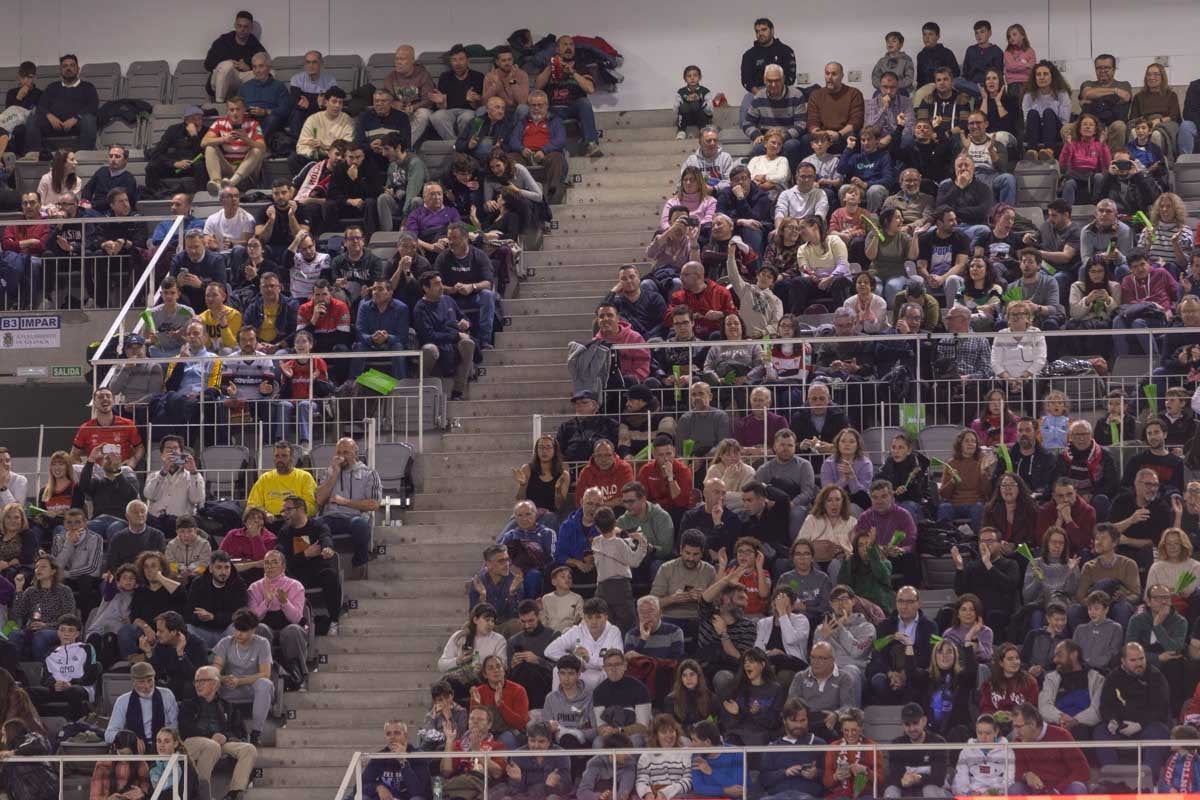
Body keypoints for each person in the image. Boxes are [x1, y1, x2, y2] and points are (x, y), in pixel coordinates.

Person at [1094, 642, 1171, 776]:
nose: (1139, 663)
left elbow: (1160, 708)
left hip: (1147, 726)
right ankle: (1113, 780)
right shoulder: (1113, 677)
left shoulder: (1155, 675)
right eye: (1133, 660)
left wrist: (1140, 724)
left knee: (1160, 731)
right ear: (1123, 661)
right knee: (1100, 732)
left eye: (1141, 658)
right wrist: (1112, 720)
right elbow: (1105, 705)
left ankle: (1148, 781)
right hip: (1120, 725)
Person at [314, 438, 379, 580]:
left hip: (354, 518)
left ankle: (359, 562)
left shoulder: (369, 474)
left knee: (361, 525)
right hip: (331, 517)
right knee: (314, 524)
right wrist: (335, 474)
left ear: (355, 453)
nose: (341, 456)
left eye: (346, 452)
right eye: (338, 452)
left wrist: (345, 502)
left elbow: (374, 504)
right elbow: (319, 499)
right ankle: (324, 564)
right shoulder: (329, 472)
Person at [534, 36, 603, 157]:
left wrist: (573, 72)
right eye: (565, 44)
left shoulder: (581, 65)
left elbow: (590, 89)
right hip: (552, 108)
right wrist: (551, 66)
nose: (569, 48)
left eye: (571, 45)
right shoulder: (548, 65)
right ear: (557, 49)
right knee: (539, 108)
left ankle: (591, 144)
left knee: (584, 103)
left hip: (573, 106)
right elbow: (538, 86)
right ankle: (547, 150)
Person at [414, 272, 476, 401]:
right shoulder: (420, 308)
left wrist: (466, 323)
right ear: (426, 289)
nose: (441, 287)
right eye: (436, 284)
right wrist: (455, 335)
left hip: (452, 342)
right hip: (435, 343)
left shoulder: (448, 300)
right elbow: (429, 335)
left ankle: (458, 391)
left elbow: (463, 317)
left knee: (468, 343)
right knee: (429, 349)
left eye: (441, 283)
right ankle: (422, 387)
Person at [27, 613, 98, 721]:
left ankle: (75, 727)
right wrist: (54, 684)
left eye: (70, 630)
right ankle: (38, 726)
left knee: (73, 691)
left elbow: (90, 676)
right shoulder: (51, 653)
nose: (66, 634)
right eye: (63, 630)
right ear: (58, 632)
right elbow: (45, 679)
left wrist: (70, 683)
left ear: (77, 633)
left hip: (80, 688)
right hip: (57, 689)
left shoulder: (87, 648)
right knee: (29, 692)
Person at [25, 55, 97, 155]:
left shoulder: (88, 87)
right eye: (65, 66)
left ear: (78, 69)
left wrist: (76, 118)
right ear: (60, 70)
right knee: (32, 119)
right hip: (54, 124)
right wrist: (49, 116)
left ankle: (84, 156)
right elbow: (41, 106)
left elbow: (93, 106)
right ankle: (37, 157)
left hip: (77, 124)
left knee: (89, 119)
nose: (68, 68)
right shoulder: (52, 87)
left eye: (72, 65)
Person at [1110, 467, 1173, 571]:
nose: (1153, 489)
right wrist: (1130, 520)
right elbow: (1109, 532)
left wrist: (1127, 541)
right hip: (1120, 552)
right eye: (1148, 484)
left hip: (1146, 554)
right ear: (1137, 484)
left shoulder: (1161, 507)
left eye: (1155, 485)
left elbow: (1158, 542)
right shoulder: (1121, 501)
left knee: (1149, 552)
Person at [882, 702, 949, 799]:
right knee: (891, 791)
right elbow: (893, 775)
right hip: (905, 789)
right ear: (902, 725)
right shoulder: (897, 744)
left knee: (930, 789)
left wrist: (919, 779)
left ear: (924, 721)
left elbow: (939, 778)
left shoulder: (938, 742)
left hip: (934, 789)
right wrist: (902, 781)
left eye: (915, 723)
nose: (912, 728)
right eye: (907, 724)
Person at [200, 97, 266, 195]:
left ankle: (232, 182)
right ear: (227, 111)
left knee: (257, 150)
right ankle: (217, 183)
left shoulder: (254, 124)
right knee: (210, 147)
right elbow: (203, 142)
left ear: (244, 110)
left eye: (238, 109)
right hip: (228, 168)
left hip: (246, 171)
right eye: (232, 110)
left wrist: (246, 139)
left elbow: (263, 147)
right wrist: (223, 139)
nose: (235, 113)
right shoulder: (219, 123)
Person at [105, 661, 179, 747]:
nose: (147, 686)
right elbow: (109, 734)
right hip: (135, 750)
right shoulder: (123, 701)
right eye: (141, 682)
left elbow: (174, 728)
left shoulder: (167, 695)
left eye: (149, 680)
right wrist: (130, 739)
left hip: (163, 747)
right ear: (133, 682)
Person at [361, 720, 432, 800]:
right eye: (388, 734)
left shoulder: (418, 755)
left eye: (397, 733)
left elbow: (421, 792)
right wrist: (378, 787)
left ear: (406, 735)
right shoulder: (380, 757)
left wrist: (403, 762)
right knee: (362, 797)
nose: (392, 737)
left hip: (410, 798)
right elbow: (360, 786)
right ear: (385, 738)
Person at [806, 63, 865, 156]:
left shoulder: (854, 93)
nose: (830, 77)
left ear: (842, 76)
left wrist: (839, 134)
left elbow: (856, 121)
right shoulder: (816, 95)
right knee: (805, 140)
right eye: (827, 73)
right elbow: (812, 120)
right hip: (821, 134)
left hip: (843, 134)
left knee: (853, 137)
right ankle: (808, 169)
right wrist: (820, 134)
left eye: (834, 74)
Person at [822, 707, 882, 798]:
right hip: (840, 795)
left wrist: (867, 771)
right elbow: (826, 783)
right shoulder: (833, 747)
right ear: (842, 729)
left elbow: (881, 781)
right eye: (846, 730)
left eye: (854, 730)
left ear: (861, 728)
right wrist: (836, 776)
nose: (850, 734)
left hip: (865, 795)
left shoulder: (872, 746)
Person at [90, 729, 150, 800]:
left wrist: (142, 793)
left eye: (129, 754)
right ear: (115, 748)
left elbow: (148, 791)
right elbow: (94, 796)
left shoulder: (141, 764)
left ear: (134, 752)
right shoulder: (103, 764)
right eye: (121, 753)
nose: (125, 758)